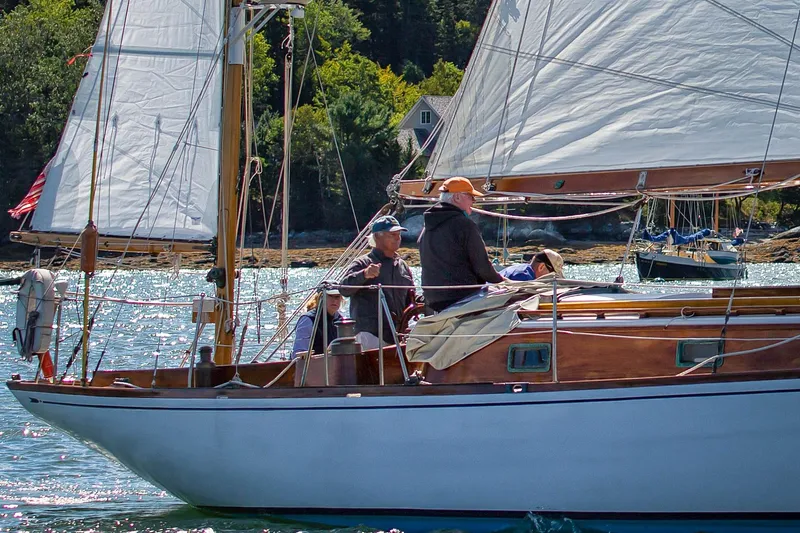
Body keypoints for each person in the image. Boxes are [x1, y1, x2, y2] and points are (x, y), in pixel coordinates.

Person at [419, 176, 506, 313]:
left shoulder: (427, 227)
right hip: (463, 299)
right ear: (457, 197)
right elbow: (482, 267)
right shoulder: (464, 225)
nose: (473, 200)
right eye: (470, 196)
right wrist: (503, 282)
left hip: (434, 300)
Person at [340, 215, 415, 350]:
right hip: (370, 335)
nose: (397, 238)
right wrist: (364, 274)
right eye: (392, 234)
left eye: (398, 234)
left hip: (398, 335)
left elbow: (411, 299)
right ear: (377, 237)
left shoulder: (403, 266)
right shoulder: (363, 263)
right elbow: (344, 288)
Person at [291, 283, 345, 358]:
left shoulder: (341, 320)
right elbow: (299, 354)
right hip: (311, 367)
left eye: (337, 297)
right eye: (330, 296)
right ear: (320, 298)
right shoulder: (308, 320)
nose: (334, 300)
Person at [500, 249, 564, 281]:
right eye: (552, 274)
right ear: (541, 267)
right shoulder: (524, 276)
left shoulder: (522, 269)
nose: (552, 278)